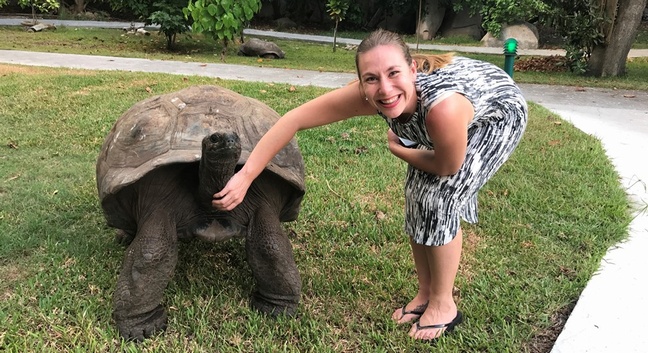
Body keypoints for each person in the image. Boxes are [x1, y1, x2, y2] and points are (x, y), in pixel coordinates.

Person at [212, 28, 528, 341]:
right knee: (417, 193)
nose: (385, 89)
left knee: (440, 196)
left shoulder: (443, 108)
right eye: (372, 78)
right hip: (453, 107)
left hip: (499, 113)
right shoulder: (370, 96)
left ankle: (445, 305)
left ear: (412, 69)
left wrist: (401, 150)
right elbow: (293, 119)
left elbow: (448, 165)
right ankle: (426, 294)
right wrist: (246, 175)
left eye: (394, 73)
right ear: (362, 83)